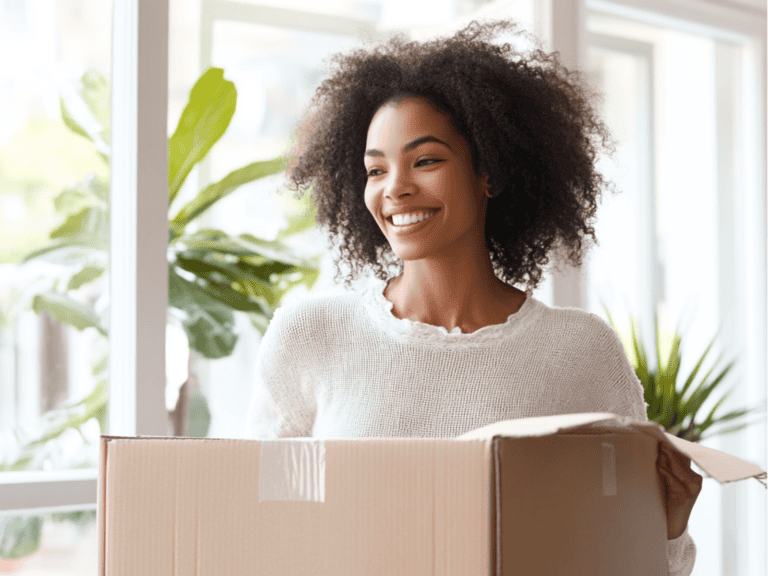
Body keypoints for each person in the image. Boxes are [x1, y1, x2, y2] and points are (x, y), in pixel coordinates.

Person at [244, 19, 702, 575]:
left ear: (488, 171)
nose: (395, 188)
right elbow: (262, 536)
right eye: (375, 169)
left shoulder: (583, 351)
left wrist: (669, 523)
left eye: (426, 160)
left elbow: (635, 563)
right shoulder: (310, 337)